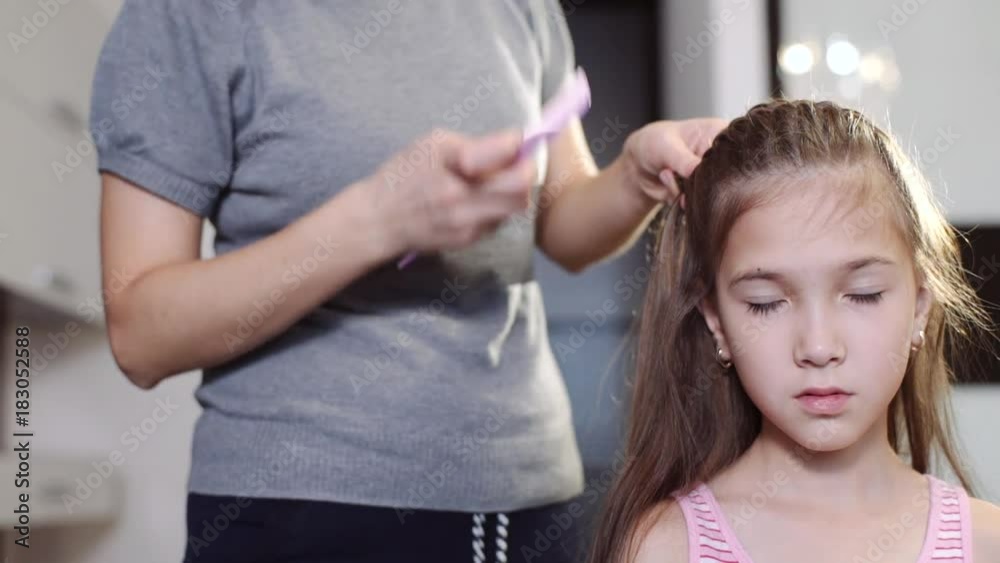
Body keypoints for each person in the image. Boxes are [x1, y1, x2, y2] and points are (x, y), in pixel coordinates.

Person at [88, 0, 724, 561]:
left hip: (532, 500)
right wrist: (374, 219)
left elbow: (561, 223)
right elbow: (141, 335)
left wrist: (634, 180)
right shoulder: (188, 15)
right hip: (303, 510)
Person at [588, 99, 1000, 563]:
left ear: (920, 308)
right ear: (717, 323)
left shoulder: (987, 543)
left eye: (863, 294)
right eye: (766, 303)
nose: (818, 347)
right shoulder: (665, 547)